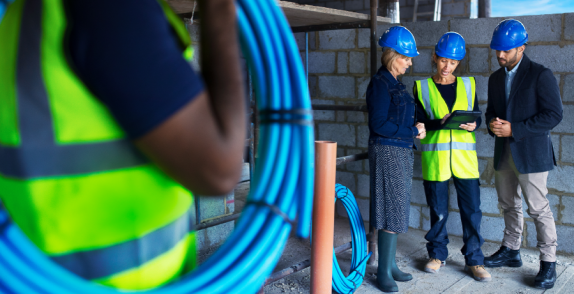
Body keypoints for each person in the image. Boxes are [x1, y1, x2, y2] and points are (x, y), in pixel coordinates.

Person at [0, 0, 245, 290]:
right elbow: (219, 170)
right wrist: (219, 9)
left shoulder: (32, 13)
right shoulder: (112, 8)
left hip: (41, 274)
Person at [484, 19, 563, 289]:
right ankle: (511, 250)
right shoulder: (495, 78)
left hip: (531, 154)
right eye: (497, 50)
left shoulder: (541, 75)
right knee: (508, 204)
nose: (500, 55)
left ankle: (548, 263)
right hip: (504, 152)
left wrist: (514, 129)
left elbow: (554, 115)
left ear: (522, 48)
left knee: (538, 209)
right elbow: (490, 111)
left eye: (506, 51)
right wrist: (493, 124)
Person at [413, 32, 491, 282]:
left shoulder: (468, 84)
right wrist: (440, 123)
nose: (447, 67)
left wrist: (473, 124)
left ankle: (475, 260)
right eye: (444, 60)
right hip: (435, 160)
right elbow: (419, 123)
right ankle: (437, 255)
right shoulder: (421, 86)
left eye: (453, 63)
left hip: (465, 162)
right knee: (438, 211)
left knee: (472, 211)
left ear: (460, 63)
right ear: (435, 57)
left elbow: (477, 115)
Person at [366, 26, 425, 293]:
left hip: (400, 150)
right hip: (387, 149)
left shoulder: (396, 84)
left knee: (397, 208)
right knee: (391, 209)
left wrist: (417, 127)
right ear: (392, 56)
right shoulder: (380, 84)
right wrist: (412, 131)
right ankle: (382, 272)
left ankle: (390, 265)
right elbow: (378, 124)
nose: (410, 62)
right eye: (406, 57)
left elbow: (397, 119)